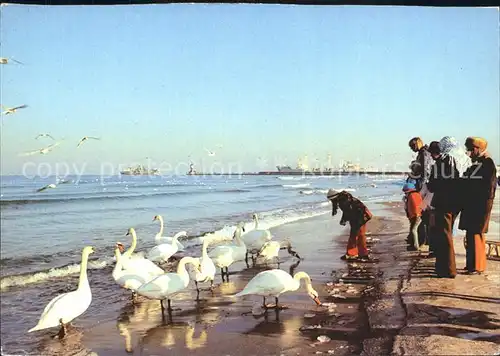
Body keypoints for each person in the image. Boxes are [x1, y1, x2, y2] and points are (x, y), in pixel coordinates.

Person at [459, 137, 497, 275]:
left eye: (470, 149)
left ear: (477, 149)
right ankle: (471, 265)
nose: (468, 152)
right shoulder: (479, 163)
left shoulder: (487, 163)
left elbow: (487, 188)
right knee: (471, 234)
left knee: (476, 234)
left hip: (479, 205)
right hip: (473, 204)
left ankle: (477, 266)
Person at [426, 140, 460, 278]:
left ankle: (447, 269)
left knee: (443, 236)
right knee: (446, 235)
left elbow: (433, 186)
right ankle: (444, 268)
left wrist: (429, 182)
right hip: (453, 203)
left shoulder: (439, 165)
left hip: (442, 204)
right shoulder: (453, 162)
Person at [327, 189, 373, 261]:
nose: (332, 201)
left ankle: (362, 255)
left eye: (332, 200)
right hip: (357, 215)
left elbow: (350, 212)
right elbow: (348, 212)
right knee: (355, 236)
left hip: (361, 216)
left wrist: (346, 221)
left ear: (335, 197)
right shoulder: (344, 198)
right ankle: (353, 254)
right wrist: (344, 220)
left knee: (358, 235)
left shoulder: (344, 201)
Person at [408, 137, 433, 248]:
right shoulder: (423, 153)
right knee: (423, 214)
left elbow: (425, 171)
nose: (412, 149)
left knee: (422, 213)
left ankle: (422, 239)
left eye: (412, 146)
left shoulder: (424, 153)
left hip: (424, 187)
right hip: (425, 186)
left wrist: (421, 186)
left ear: (417, 144)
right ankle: (423, 239)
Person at [403, 181, 423, 251]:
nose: (405, 193)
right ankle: (414, 244)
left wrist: (417, 214)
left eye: (405, 192)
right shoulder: (416, 194)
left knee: (414, 230)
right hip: (416, 215)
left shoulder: (412, 195)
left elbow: (415, 205)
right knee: (413, 230)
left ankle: (415, 246)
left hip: (416, 215)